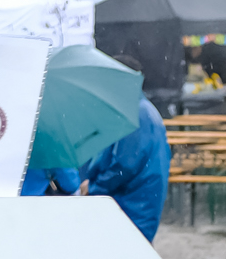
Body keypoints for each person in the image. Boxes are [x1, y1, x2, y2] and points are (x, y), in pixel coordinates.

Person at [57, 97, 171, 241]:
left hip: (131, 204)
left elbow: (125, 165)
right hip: (142, 199)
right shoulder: (140, 108)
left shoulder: (133, 113)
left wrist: (93, 186)